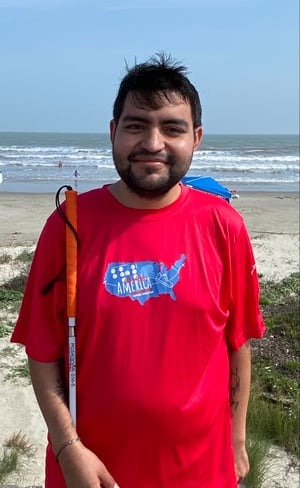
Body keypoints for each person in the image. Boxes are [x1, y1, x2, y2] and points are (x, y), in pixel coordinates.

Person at [11, 53, 265, 488]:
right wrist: (67, 447)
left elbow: (237, 341)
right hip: (91, 470)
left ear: (197, 138)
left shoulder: (223, 225)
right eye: (135, 125)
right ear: (113, 132)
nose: (152, 142)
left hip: (200, 468)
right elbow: (42, 350)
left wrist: (237, 438)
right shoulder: (69, 224)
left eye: (172, 127)